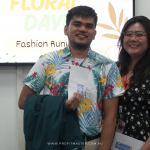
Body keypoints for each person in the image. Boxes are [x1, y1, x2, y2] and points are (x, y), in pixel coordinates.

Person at [19, 6, 124, 150]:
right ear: (65, 29)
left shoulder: (108, 66)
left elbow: (111, 116)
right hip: (53, 141)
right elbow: (23, 101)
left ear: (94, 33)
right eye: (77, 24)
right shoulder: (47, 60)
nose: (82, 29)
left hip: (91, 143)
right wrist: (61, 105)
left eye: (88, 26)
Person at [116, 16, 150, 150]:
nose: (133, 38)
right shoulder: (116, 69)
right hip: (117, 141)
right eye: (128, 34)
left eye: (139, 34)